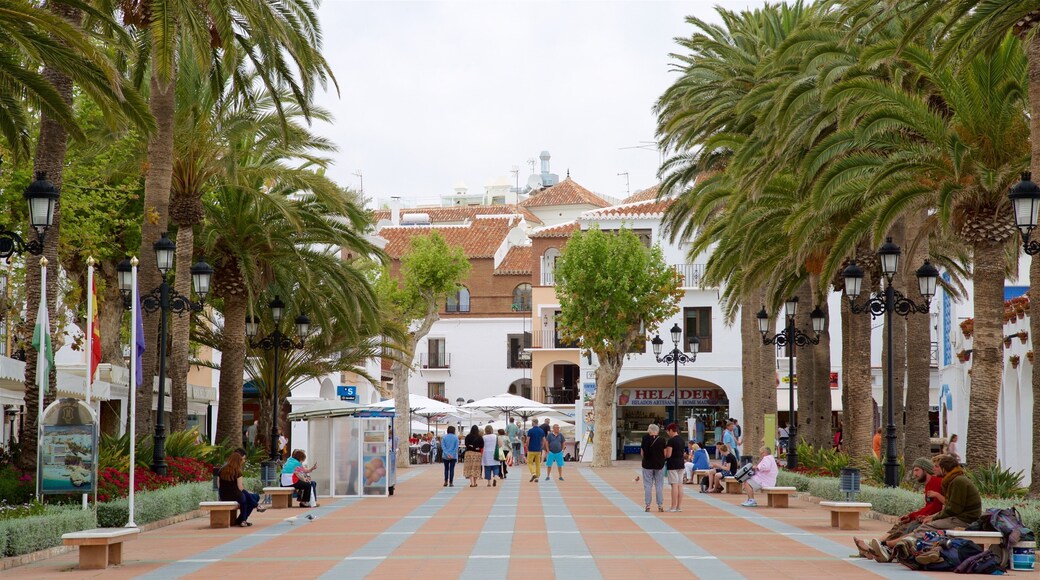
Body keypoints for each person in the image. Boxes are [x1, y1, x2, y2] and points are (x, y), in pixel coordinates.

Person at [854, 457, 945, 562]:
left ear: (925, 469)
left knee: (906, 527)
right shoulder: (929, 484)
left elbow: (935, 507)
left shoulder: (936, 482)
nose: (914, 474)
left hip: (931, 519)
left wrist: (914, 517)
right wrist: (911, 516)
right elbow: (929, 506)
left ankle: (877, 547)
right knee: (900, 525)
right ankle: (874, 547)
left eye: (917, 470)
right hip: (927, 517)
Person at [916, 454, 981, 532]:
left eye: (937, 466)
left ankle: (905, 543)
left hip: (964, 520)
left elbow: (953, 509)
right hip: (960, 517)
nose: (934, 469)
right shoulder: (953, 480)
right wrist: (931, 517)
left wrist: (933, 518)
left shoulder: (958, 481)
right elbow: (950, 507)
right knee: (921, 526)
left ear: (944, 468)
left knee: (923, 528)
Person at [218, 452, 265, 527]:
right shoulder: (237, 471)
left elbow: (219, 485)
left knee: (251, 497)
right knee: (253, 498)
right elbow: (240, 488)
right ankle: (243, 520)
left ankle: (242, 519)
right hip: (236, 495)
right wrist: (247, 492)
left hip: (224, 495)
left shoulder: (221, 470)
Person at [640, 424, 667, 512]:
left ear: (649, 430)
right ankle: (660, 505)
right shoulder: (662, 440)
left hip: (647, 465)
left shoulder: (645, 438)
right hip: (659, 465)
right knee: (659, 485)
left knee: (648, 485)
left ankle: (648, 505)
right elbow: (665, 453)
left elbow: (642, 453)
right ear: (657, 430)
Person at [663, 423, 685, 512]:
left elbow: (669, 454)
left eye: (668, 432)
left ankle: (673, 506)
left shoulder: (671, 441)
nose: (668, 433)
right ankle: (679, 507)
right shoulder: (682, 440)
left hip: (672, 464)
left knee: (674, 485)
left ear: (671, 430)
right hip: (681, 463)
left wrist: (664, 454)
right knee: (680, 485)